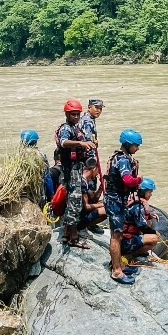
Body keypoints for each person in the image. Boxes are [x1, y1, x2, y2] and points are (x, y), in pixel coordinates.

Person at [105, 129, 144, 284]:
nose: (137, 148)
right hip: (115, 201)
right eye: (136, 145)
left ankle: (119, 264)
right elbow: (127, 180)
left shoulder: (121, 157)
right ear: (128, 145)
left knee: (118, 234)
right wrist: (139, 179)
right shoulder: (123, 160)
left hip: (116, 199)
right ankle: (116, 271)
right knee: (116, 235)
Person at [56, 99, 96, 249]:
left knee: (72, 201)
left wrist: (87, 145)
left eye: (77, 114)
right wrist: (80, 143)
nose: (76, 116)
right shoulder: (66, 128)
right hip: (70, 169)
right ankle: (73, 237)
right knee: (75, 201)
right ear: (67, 114)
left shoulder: (75, 127)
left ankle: (67, 234)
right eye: (73, 114)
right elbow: (63, 142)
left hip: (75, 167)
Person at [120, 178, 160, 260]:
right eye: (149, 192)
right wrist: (155, 232)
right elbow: (143, 227)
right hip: (126, 241)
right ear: (143, 192)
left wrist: (149, 216)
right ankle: (130, 255)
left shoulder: (134, 200)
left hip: (126, 237)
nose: (151, 195)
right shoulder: (137, 206)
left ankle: (134, 249)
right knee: (154, 238)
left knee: (149, 222)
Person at [21, 129, 54, 207]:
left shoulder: (19, 156)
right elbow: (47, 177)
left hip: (24, 193)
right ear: (35, 142)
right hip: (39, 192)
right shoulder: (41, 156)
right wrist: (52, 194)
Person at [78, 157, 107, 233]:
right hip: (79, 218)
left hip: (81, 213)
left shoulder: (83, 179)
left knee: (101, 203)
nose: (98, 173)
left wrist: (101, 187)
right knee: (108, 210)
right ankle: (86, 226)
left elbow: (93, 199)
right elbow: (87, 207)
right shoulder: (83, 183)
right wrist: (103, 204)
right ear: (94, 169)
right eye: (98, 171)